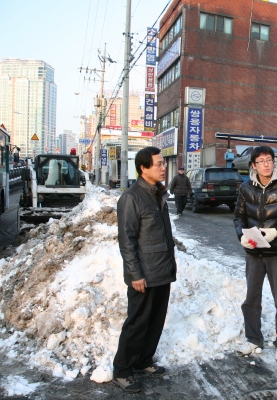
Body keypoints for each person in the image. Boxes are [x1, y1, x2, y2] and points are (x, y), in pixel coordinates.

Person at [112, 146, 176, 393]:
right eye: (159, 164)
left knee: (155, 321)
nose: (163, 167)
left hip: (162, 271)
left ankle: (143, 360)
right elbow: (126, 241)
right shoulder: (131, 197)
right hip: (144, 275)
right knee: (137, 322)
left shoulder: (158, 194)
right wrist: (135, 274)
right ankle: (122, 370)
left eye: (163, 163)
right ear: (143, 168)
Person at [233, 146, 277, 362]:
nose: (266, 164)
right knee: (251, 298)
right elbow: (239, 217)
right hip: (254, 252)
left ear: (274, 163)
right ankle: (253, 338)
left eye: (269, 160)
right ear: (253, 165)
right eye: (261, 161)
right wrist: (241, 236)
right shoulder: (245, 188)